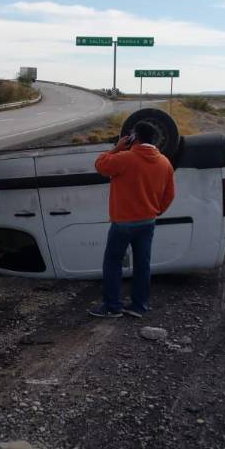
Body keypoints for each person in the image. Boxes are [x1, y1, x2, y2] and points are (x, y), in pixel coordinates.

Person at [88, 122, 175, 318]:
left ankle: (112, 306)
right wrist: (157, 211)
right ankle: (139, 305)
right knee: (143, 264)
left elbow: (100, 165)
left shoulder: (125, 158)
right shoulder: (165, 162)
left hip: (123, 223)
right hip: (148, 222)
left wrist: (117, 147)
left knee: (113, 262)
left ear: (135, 137)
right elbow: (170, 194)